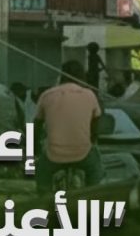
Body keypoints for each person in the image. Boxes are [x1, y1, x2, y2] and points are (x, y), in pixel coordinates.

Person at [34, 60, 104, 193]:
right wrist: (92, 139)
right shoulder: (89, 95)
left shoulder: (47, 95)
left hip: (54, 155)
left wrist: (35, 149)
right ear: (82, 76)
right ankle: (93, 197)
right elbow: (96, 122)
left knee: (42, 175)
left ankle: (44, 200)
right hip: (82, 154)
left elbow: (36, 124)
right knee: (96, 172)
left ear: (61, 75)